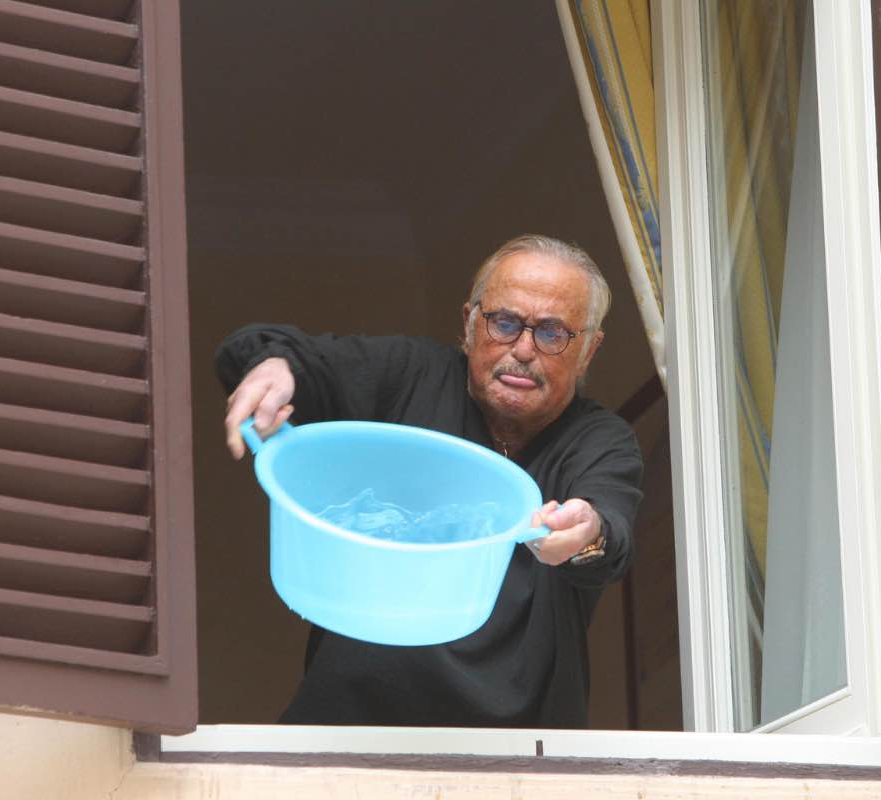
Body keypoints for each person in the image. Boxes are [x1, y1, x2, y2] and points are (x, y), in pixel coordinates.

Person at [216, 234, 643, 728]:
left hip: (517, 757)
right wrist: (275, 369)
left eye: (552, 334)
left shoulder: (599, 440)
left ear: (588, 350)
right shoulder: (410, 374)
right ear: (469, 323)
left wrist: (584, 533)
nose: (524, 350)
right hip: (346, 735)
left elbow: (609, 532)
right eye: (504, 323)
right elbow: (260, 351)